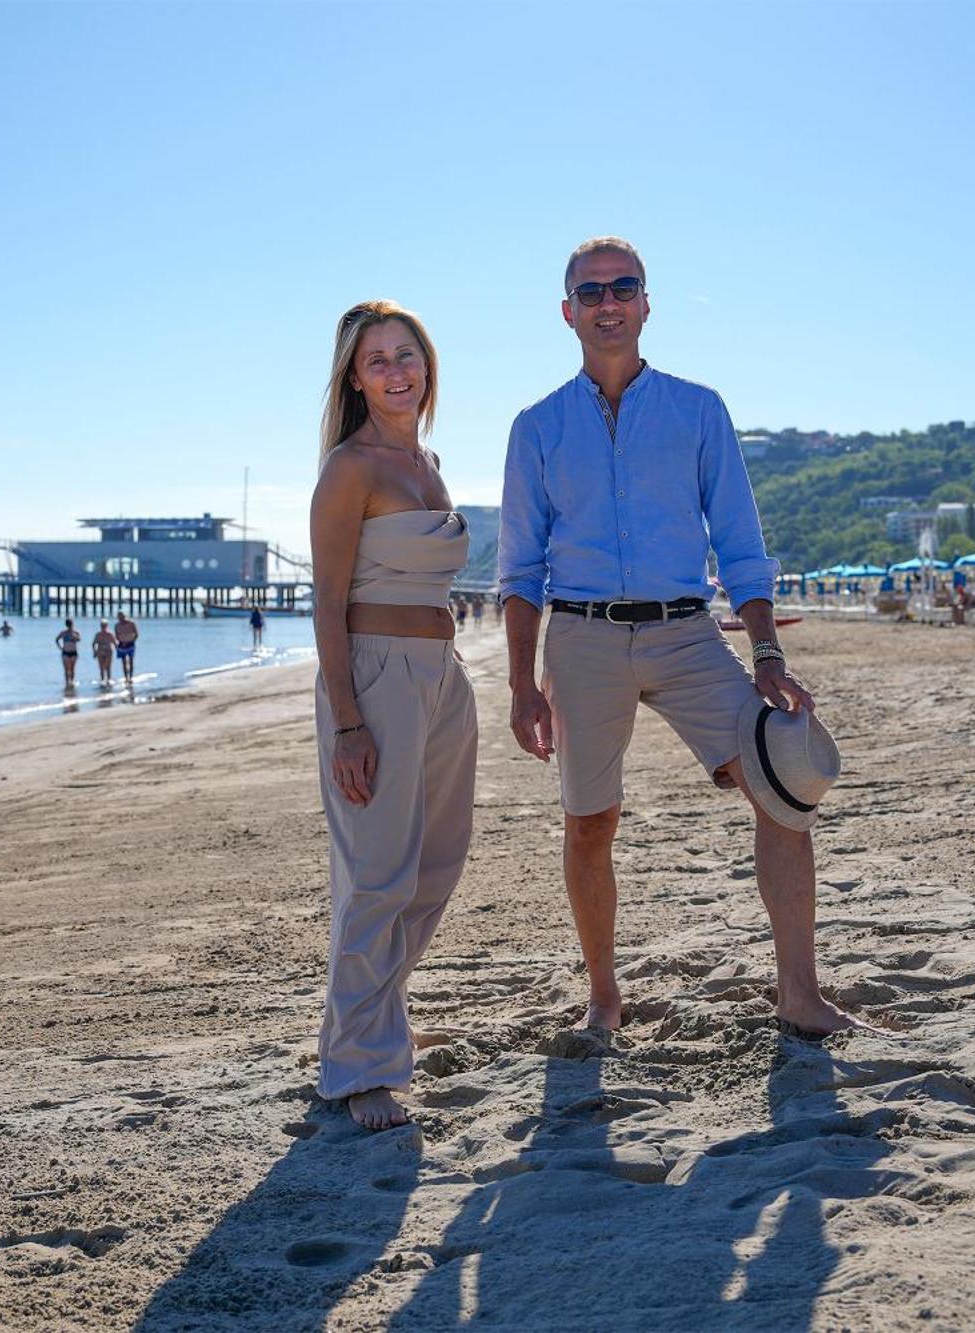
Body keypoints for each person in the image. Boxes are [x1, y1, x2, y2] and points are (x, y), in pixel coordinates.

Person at [497, 236, 871, 1041]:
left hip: (686, 632)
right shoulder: (535, 428)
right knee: (590, 822)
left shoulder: (699, 410)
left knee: (784, 791)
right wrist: (521, 685)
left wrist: (768, 650)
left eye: (622, 287)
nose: (607, 303)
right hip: (582, 639)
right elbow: (521, 569)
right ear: (568, 313)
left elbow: (739, 540)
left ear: (646, 302)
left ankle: (799, 995)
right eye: (590, 292)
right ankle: (604, 998)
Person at [311, 299, 476, 1130]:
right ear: (353, 376)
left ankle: (373, 1017)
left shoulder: (429, 462)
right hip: (375, 677)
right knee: (377, 873)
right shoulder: (352, 468)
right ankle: (357, 1067)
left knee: (437, 862)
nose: (396, 370)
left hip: (443, 677)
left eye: (406, 354)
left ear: (428, 362)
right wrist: (348, 720)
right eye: (376, 359)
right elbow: (327, 601)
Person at [113, 611, 139, 684]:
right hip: (121, 644)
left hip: (130, 644)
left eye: (122, 617)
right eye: (119, 617)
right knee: (124, 662)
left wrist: (131, 640)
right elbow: (116, 635)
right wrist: (120, 642)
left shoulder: (131, 623)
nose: (121, 619)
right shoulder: (117, 625)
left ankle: (130, 677)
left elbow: (136, 634)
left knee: (131, 661)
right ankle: (126, 678)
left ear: (125, 616)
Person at [55, 618, 81, 687]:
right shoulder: (63, 633)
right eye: (69, 624)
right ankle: (67, 683)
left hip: (73, 652)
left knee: (72, 669)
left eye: (71, 624)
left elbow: (79, 639)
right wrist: (60, 647)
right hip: (65, 652)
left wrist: (74, 636)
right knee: (66, 669)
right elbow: (57, 639)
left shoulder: (76, 632)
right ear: (66, 625)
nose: (70, 626)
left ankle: (72, 682)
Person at [91, 620, 116, 685]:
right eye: (102, 626)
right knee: (101, 667)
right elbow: (94, 643)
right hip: (100, 651)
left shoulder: (110, 634)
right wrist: (94, 651)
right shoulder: (98, 634)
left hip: (108, 652)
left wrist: (118, 650)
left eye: (104, 626)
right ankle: (102, 680)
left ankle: (109, 679)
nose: (103, 627)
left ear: (107, 626)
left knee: (108, 667)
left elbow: (115, 643)